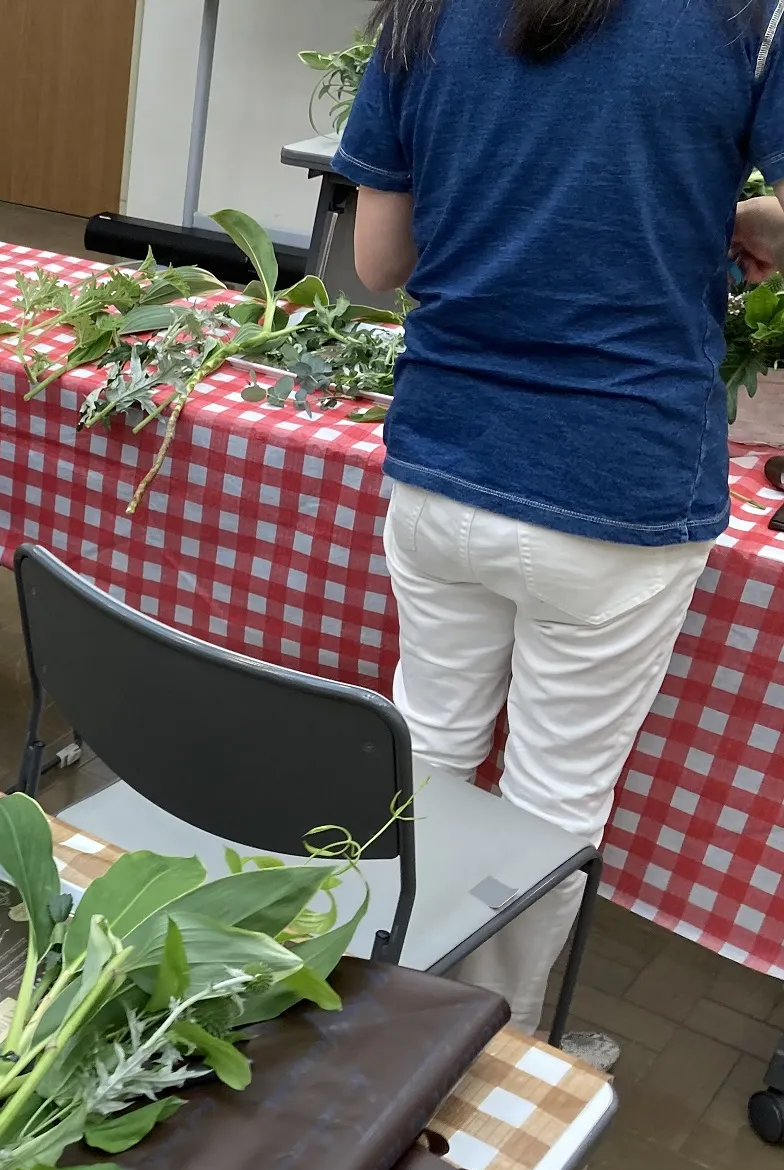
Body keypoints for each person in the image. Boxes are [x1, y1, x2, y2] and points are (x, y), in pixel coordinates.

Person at [336, 0, 784, 1056]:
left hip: (444, 456)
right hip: (620, 486)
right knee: (555, 794)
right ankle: (486, 1053)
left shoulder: (424, 11)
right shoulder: (748, 17)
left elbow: (378, 261)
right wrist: (754, 222)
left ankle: (375, 1019)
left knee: (428, 749)